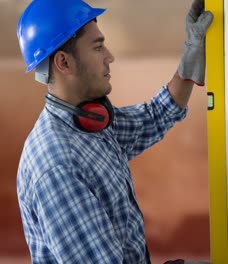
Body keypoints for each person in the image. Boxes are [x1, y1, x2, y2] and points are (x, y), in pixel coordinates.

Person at [15, 0, 213, 263]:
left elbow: (156, 116)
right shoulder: (57, 166)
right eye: (98, 47)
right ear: (64, 62)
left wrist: (191, 55)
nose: (110, 56)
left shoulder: (88, 123)